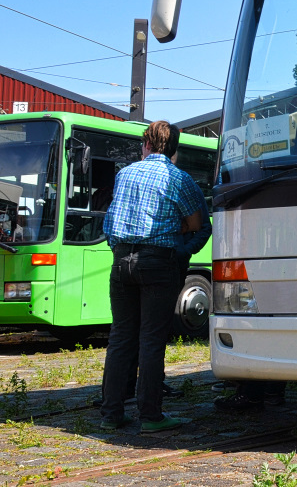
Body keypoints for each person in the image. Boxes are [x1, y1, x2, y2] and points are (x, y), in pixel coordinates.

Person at [99, 121, 203, 433]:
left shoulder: (125, 173)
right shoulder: (179, 178)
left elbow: (113, 219)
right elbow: (197, 224)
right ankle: (151, 415)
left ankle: (111, 414)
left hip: (121, 261)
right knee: (151, 340)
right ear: (175, 149)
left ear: (146, 145)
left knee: (120, 337)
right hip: (158, 262)